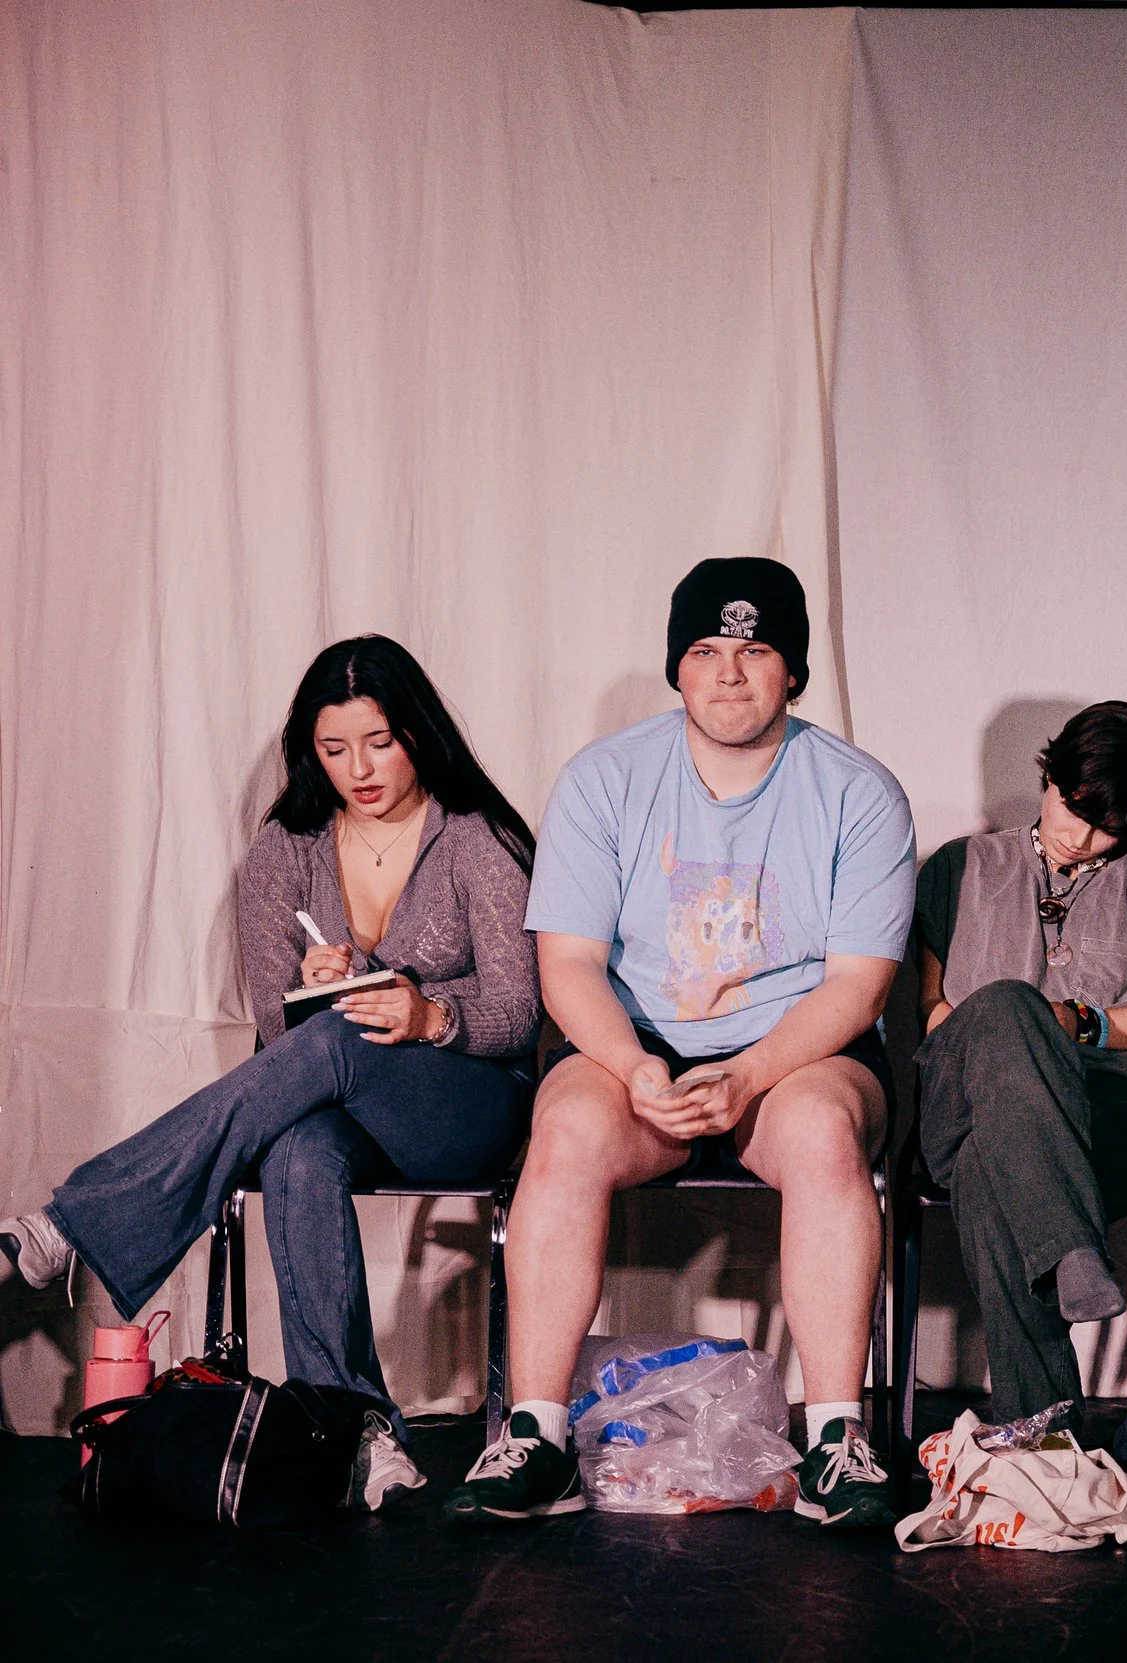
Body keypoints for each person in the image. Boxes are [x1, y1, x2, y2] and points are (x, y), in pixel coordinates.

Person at [0, 636, 540, 1510]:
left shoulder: (475, 837)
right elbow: (275, 1028)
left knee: (337, 1040)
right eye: (335, 749)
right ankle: (357, 1429)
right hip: (343, 1101)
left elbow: (520, 1010)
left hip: (465, 1102)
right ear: (308, 751)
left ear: (418, 733)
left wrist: (425, 1011)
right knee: (297, 1149)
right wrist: (316, 988)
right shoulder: (285, 849)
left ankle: (73, 1219)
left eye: (380, 742)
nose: (359, 769)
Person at [443, 557, 916, 1529]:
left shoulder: (858, 790)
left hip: (795, 1054)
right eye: (705, 650)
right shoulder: (604, 778)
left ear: (793, 669)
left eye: (754, 650)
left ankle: (837, 1437)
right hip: (640, 1047)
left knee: (825, 1131)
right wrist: (632, 1066)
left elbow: (858, 985)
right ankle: (536, 1436)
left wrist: (749, 1072)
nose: (728, 672)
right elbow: (569, 964)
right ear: (677, 666)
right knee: (566, 1127)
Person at [914, 701, 1127, 1424]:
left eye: (1106, 826)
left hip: (1119, 1123)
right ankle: (1072, 1244)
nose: (1079, 835)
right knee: (1008, 1008)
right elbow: (935, 1013)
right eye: (1072, 806)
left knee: (994, 1165)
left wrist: (1084, 1025)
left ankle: (1042, 1431)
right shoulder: (959, 866)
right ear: (1048, 775)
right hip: (967, 1095)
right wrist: (1027, 1037)